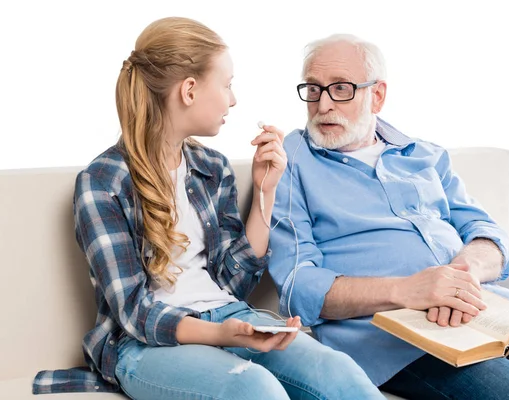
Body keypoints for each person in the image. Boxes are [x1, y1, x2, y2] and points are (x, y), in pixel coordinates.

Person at [31, 19, 383, 399]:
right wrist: (218, 334)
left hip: (229, 316)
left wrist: (267, 190)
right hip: (143, 344)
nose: (233, 100)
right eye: (228, 84)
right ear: (189, 90)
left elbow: (233, 285)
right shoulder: (102, 182)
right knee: (254, 388)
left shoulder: (212, 169)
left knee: (339, 372)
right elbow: (134, 313)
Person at [268, 33, 509, 400]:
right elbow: (296, 286)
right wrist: (406, 291)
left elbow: (485, 231)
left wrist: (466, 272)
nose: (323, 105)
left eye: (340, 88)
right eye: (313, 89)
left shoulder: (423, 155)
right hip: (396, 338)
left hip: (485, 309)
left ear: (378, 95)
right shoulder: (289, 161)